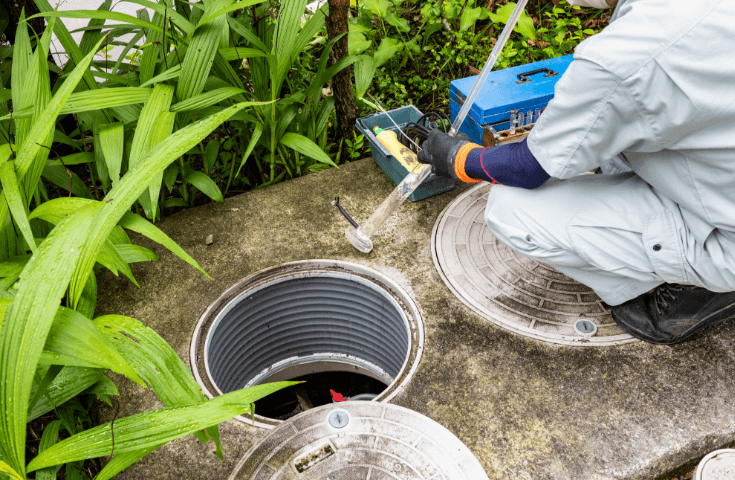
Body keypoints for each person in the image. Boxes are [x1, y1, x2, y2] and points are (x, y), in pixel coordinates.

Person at [417, 0, 735, 345]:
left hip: (725, 234)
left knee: (509, 208)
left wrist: (460, 159)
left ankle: (695, 289)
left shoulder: (627, 55)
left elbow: (528, 168)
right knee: (621, 146)